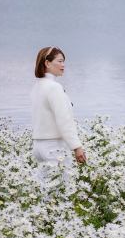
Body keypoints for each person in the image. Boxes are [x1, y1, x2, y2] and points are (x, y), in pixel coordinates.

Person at [31, 46, 86, 187]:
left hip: (38, 147)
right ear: (47, 63)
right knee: (64, 191)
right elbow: (64, 121)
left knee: (45, 192)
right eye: (59, 61)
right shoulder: (54, 87)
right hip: (53, 147)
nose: (63, 65)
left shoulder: (37, 86)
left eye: (63, 62)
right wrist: (77, 147)